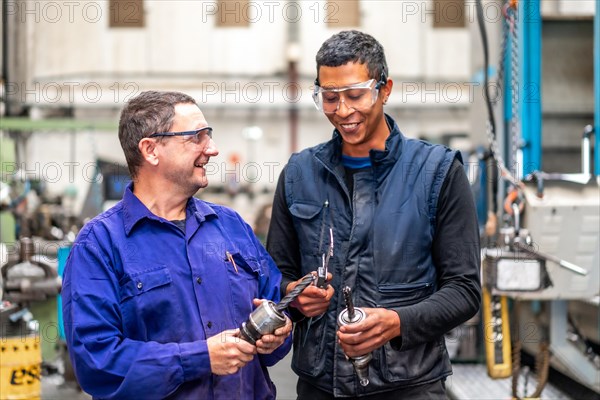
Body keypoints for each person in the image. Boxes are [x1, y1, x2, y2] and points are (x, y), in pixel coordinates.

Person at [267, 30, 481, 399]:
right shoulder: (299, 174)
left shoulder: (437, 172)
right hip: (321, 386)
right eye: (330, 98)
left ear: (385, 89)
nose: (343, 111)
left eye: (355, 95)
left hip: (410, 386)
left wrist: (398, 322)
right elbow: (276, 275)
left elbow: (464, 291)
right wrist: (294, 296)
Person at [62, 91, 292, 399]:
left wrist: (278, 334)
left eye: (208, 135)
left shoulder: (231, 227)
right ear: (151, 150)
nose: (212, 149)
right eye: (196, 137)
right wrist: (199, 358)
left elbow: (276, 306)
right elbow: (97, 361)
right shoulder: (99, 246)